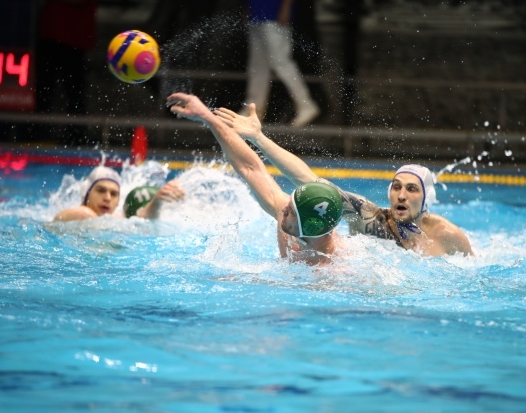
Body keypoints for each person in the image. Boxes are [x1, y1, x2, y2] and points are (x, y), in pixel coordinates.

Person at [214, 103, 474, 257]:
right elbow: (310, 180)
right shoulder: (372, 220)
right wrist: (258, 138)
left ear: (426, 198)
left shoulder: (448, 235)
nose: (401, 195)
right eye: (396, 187)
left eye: (412, 189)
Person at [167, 92, 343, 266]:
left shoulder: (333, 270)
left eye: (290, 211)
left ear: (310, 226)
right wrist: (207, 117)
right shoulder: (294, 222)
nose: (283, 208)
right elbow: (250, 168)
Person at [243, 0, 320, 127]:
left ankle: (306, 104)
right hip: (256, 13)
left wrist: (285, 8)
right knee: (258, 66)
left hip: (274, 14)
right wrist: (249, 8)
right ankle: (253, 109)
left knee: (281, 63)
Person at [35, 0, 98, 146]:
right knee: (44, 90)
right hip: (51, 33)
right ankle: (38, 133)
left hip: (75, 37)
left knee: (75, 93)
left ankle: (76, 135)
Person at [54, 166, 185, 222]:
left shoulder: (114, 219)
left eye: (114, 194)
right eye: (101, 190)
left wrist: (157, 201)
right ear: (86, 192)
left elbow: (142, 220)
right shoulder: (81, 213)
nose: (107, 198)